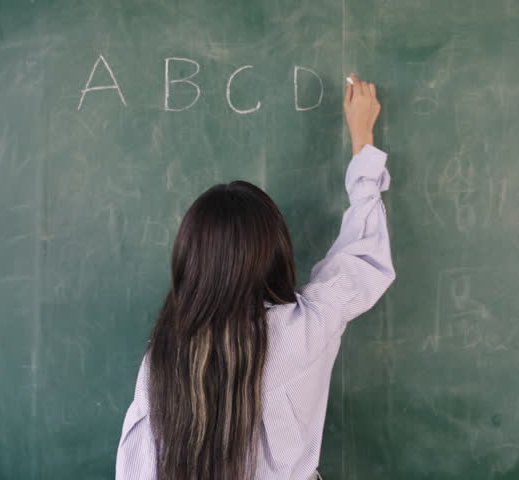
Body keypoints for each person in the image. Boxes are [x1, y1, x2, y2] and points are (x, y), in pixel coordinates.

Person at [115, 74, 394, 480]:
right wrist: (362, 139)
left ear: (189, 260)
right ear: (275, 251)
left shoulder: (164, 351)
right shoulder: (303, 326)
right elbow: (365, 255)